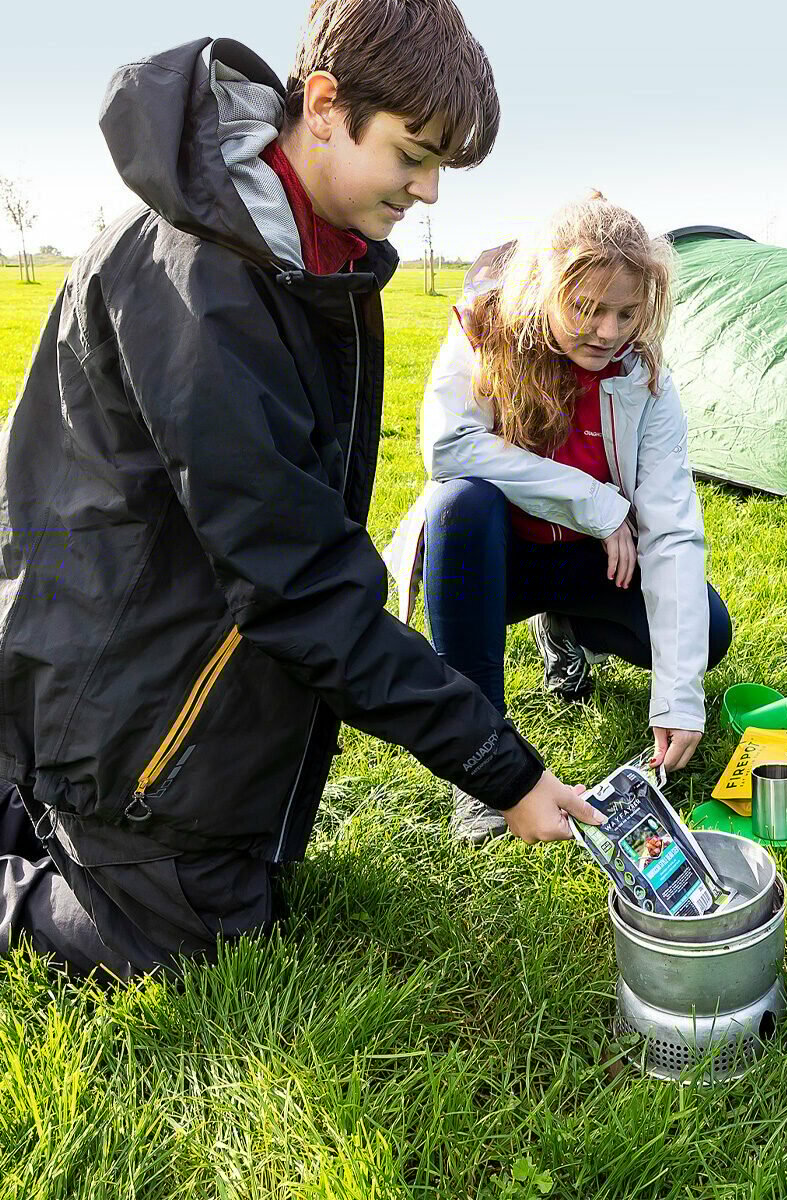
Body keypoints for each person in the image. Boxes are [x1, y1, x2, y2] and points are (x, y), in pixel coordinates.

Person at [0, 0, 602, 979]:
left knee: (247, 878)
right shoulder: (205, 279)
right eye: (413, 155)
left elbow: (290, 537)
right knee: (188, 939)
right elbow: (300, 580)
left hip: (173, 653)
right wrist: (502, 769)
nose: (430, 191)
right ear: (323, 106)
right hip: (116, 683)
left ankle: (40, 789)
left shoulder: (304, 250)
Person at [396, 195, 732, 843]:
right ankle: (481, 768)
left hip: (589, 562)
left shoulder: (646, 379)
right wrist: (596, 503)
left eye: (626, 313)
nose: (608, 331)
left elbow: (671, 528)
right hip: (494, 566)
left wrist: (679, 696)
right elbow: (448, 447)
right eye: (587, 307)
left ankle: (566, 628)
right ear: (546, 288)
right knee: (461, 503)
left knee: (708, 631)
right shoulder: (482, 334)